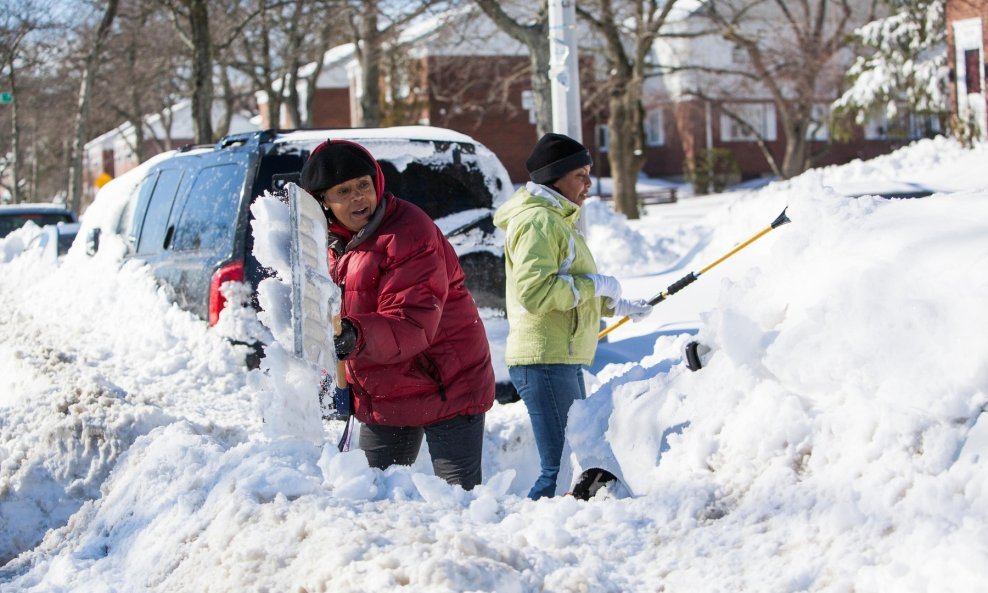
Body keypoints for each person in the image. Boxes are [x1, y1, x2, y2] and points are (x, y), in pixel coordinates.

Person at [300, 139, 495, 490]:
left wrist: (354, 335)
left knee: (461, 504)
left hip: (446, 383)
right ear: (323, 202)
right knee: (375, 498)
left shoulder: (407, 233)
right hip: (386, 389)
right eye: (344, 191)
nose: (359, 196)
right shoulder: (332, 244)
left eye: (364, 184)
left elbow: (412, 324)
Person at [493, 132, 653, 499]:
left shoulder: (557, 220)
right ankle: (532, 532)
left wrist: (615, 304)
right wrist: (596, 286)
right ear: (555, 177)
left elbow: (569, 286)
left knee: (569, 461)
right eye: (580, 174)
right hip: (544, 358)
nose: (589, 183)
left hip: (559, 357)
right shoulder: (538, 222)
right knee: (560, 466)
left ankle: (558, 526)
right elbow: (536, 293)